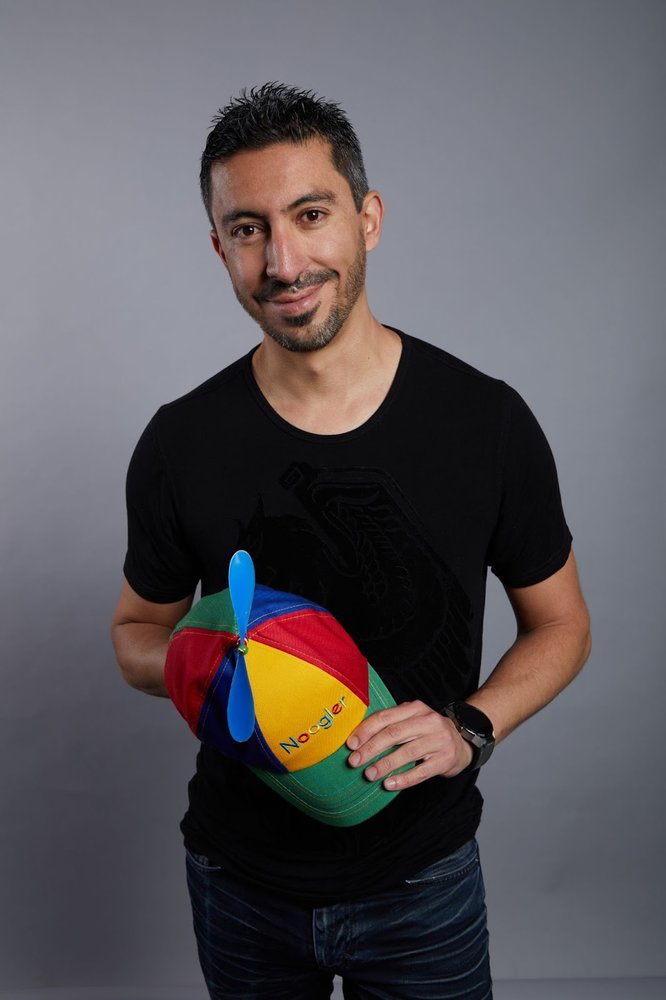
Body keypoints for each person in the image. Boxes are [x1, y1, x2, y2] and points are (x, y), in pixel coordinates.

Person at [111, 83, 591, 1000]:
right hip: (237, 879)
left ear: (367, 218)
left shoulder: (484, 422)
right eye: (247, 228)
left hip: (422, 877)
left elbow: (562, 627)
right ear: (219, 248)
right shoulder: (181, 440)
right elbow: (134, 632)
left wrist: (472, 729)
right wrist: (221, 661)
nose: (283, 260)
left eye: (310, 213)